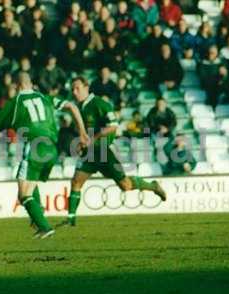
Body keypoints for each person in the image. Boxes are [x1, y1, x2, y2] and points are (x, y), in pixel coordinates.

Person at [0, 72, 90, 238]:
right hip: (52, 149)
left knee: (23, 194)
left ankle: (44, 226)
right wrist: (83, 133)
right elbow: (72, 106)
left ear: (16, 86)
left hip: (35, 147)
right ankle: (38, 212)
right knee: (28, 181)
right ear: (31, 84)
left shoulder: (15, 103)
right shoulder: (45, 97)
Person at [59, 77, 166, 227]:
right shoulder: (80, 107)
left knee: (125, 185)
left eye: (77, 88)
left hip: (103, 152)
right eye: (72, 89)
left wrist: (93, 138)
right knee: (76, 181)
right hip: (89, 154)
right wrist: (82, 144)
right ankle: (70, 219)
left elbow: (113, 126)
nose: (74, 92)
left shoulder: (99, 104)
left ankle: (153, 186)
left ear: (86, 87)